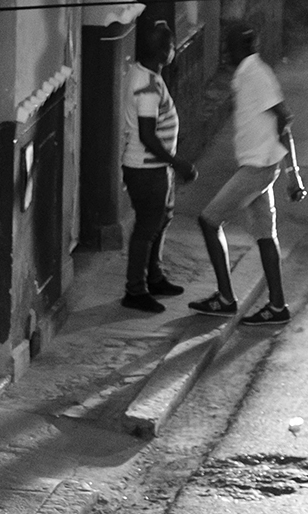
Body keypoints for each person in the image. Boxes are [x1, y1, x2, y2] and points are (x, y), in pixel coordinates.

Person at [189, 21, 294, 326]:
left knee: (208, 220)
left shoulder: (254, 74)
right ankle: (276, 306)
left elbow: (284, 117)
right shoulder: (250, 73)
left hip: (258, 168)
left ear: (241, 47)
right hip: (259, 164)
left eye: (227, 46)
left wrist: (294, 174)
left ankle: (225, 298)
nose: (223, 52)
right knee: (265, 236)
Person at [121, 19, 199, 313]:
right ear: (163, 50)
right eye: (171, 45)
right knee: (146, 227)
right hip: (146, 167)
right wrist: (177, 163)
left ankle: (154, 277)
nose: (174, 49)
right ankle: (135, 290)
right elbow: (146, 134)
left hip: (156, 168)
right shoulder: (147, 86)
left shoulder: (147, 74)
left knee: (161, 220)